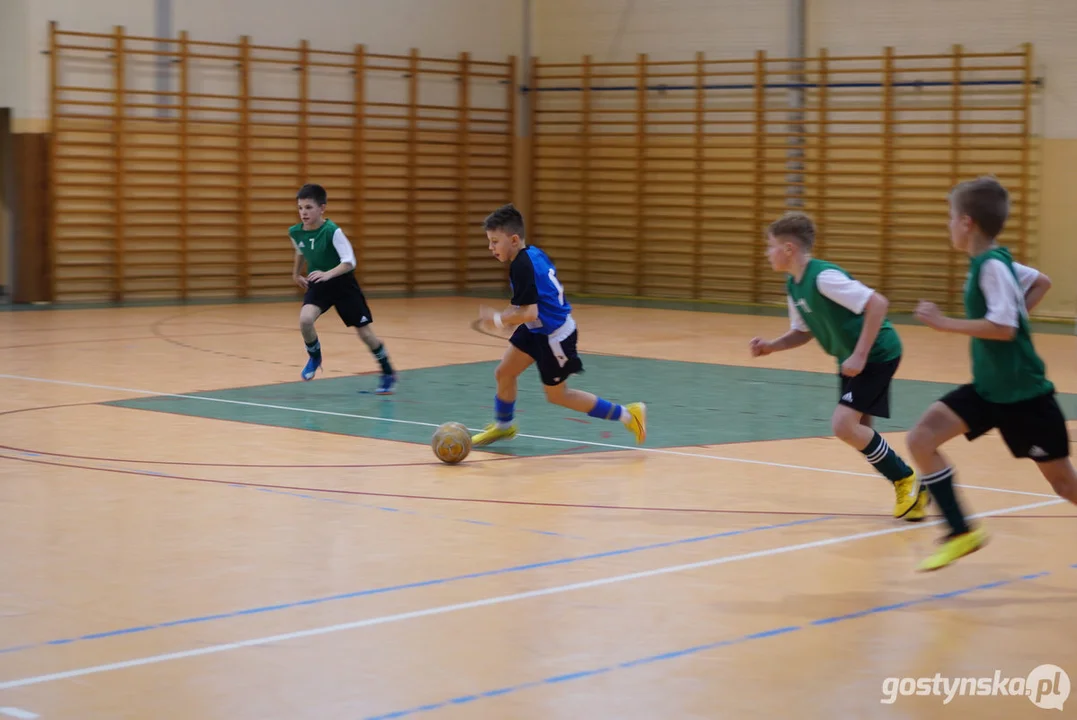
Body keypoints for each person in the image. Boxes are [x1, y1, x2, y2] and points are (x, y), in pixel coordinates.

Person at [908, 175, 1076, 571]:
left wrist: (945, 323)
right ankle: (960, 531)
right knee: (921, 438)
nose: (948, 225)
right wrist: (1013, 315)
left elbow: (1004, 328)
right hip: (989, 391)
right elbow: (1041, 283)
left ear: (967, 222)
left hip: (1026, 398)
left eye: (950, 217)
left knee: (1066, 486)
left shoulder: (991, 267)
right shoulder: (995, 263)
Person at [749, 211, 928, 521]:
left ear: (788, 249)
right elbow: (803, 331)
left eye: (770, 246)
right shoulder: (795, 285)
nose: (767, 253)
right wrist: (771, 346)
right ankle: (912, 488)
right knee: (860, 432)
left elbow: (878, 304)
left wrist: (859, 355)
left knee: (843, 425)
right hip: (852, 359)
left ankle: (907, 481)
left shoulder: (823, 277)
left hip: (876, 353)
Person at [471, 203, 646, 446]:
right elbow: (531, 304)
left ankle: (628, 414)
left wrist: (499, 319)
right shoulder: (531, 253)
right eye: (489, 241)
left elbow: (530, 313)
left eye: (494, 241)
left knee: (558, 395)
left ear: (512, 239)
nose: (490, 247)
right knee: (504, 372)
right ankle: (504, 426)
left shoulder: (522, 265)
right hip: (537, 329)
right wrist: (511, 316)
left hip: (554, 336)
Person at [289, 183, 396, 394]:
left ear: (322, 208)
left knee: (365, 334)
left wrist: (328, 274)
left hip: (342, 283)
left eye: (309, 208)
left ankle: (387, 371)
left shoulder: (332, 231)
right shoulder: (296, 232)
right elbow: (300, 251)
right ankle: (315, 356)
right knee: (305, 320)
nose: (304, 213)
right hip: (319, 283)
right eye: (300, 208)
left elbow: (349, 261)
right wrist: (295, 273)